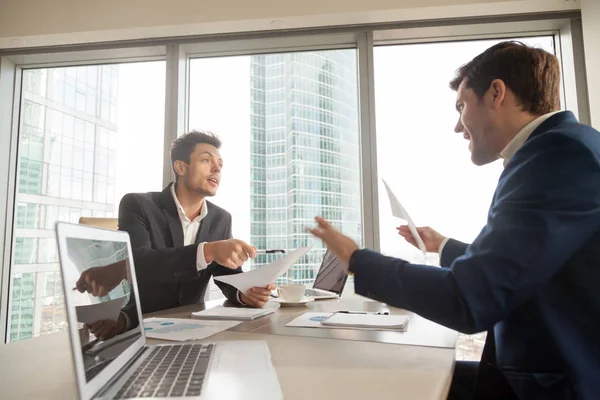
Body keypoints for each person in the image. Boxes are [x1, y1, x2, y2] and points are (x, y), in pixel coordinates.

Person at [309, 41, 600, 400]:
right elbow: (521, 263)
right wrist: (442, 245)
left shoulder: (557, 156)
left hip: (561, 384)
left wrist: (357, 259)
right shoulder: (565, 147)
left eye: (461, 106)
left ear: (496, 93)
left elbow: (471, 298)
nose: (458, 126)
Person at [87, 130, 274, 340]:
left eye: (220, 164)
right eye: (206, 160)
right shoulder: (138, 204)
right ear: (180, 167)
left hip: (192, 330)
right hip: (138, 328)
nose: (216, 169)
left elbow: (227, 277)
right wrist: (208, 250)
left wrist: (244, 293)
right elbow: (138, 264)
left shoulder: (222, 218)